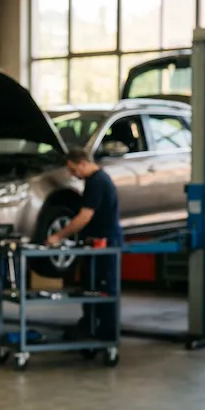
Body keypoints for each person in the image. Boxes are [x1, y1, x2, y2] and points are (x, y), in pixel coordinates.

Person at [46, 146, 123, 341]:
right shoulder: (93, 181)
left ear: (82, 163)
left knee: (104, 290)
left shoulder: (97, 182)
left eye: (73, 170)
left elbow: (84, 217)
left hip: (105, 243)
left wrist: (59, 236)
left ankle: (106, 333)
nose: (73, 175)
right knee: (90, 287)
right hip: (96, 243)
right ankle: (90, 326)